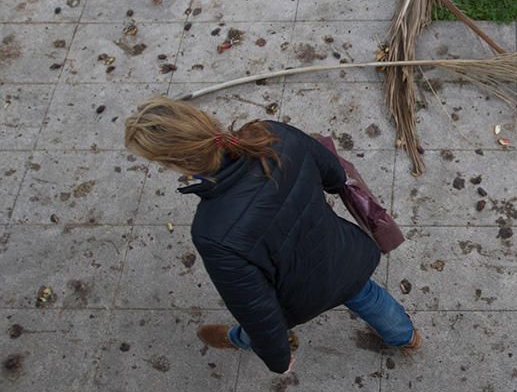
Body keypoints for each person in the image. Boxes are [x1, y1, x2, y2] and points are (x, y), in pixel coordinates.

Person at [123, 97, 420, 374]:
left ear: (173, 163)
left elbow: (257, 309)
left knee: (255, 330)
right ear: (201, 119)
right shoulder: (275, 135)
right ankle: (406, 337)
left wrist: (279, 360)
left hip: (299, 297)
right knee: (368, 295)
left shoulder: (211, 231)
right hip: (342, 253)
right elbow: (334, 175)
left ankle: (237, 339)